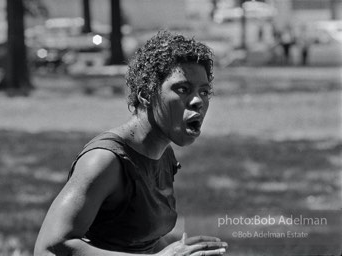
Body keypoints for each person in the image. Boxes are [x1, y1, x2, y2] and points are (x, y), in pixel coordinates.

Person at [34, 30, 228, 256]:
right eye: (183, 89)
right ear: (146, 93)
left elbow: (137, 240)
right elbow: (50, 248)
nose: (198, 101)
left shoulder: (163, 155)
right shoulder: (104, 161)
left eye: (204, 92)